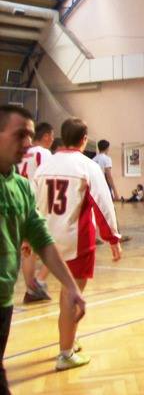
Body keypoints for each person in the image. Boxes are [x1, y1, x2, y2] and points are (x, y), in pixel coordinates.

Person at [0, 106, 87, 391]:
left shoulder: (23, 188)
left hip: (3, 301)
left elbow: (42, 238)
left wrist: (71, 286)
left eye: (30, 135)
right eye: (20, 135)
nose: (27, 143)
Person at [35, 118, 122, 371]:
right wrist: (113, 238)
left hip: (47, 239)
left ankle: (69, 339)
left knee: (66, 292)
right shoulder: (86, 166)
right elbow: (103, 204)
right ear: (84, 139)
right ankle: (65, 353)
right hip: (76, 239)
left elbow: (32, 201)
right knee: (71, 294)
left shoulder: (45, 165)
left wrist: (29, 238)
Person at [18, 121, 54, 303]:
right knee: (57, 243)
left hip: (19, 201)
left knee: (27, 249)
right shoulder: (43, 153)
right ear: (46, 136)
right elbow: (49, 178)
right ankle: (38, 282)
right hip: (37, 203)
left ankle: (31, 289)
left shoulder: (18, 152)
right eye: (52, 136)